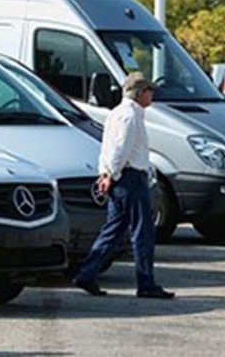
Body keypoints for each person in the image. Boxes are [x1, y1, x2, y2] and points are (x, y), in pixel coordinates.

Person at [74, 72, 174, 299]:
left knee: (114, 230)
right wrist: (112, 173)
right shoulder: (130, 116)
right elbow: (121, 149)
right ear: (139, 93)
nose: (152, 94)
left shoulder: (116, 114)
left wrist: (105, 172)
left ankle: (87, 274)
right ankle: (146, 283)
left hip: (119, 177)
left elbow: (106, 147)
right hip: (129, 178)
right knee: (143, 232)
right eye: (149, 90)